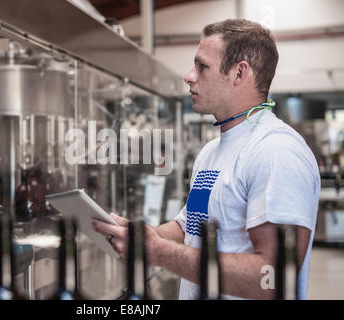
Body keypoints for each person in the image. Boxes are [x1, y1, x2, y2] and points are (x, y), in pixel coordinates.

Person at [92, 19, 320, 300]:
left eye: (202, 67)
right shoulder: (210, 153)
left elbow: (272, 279)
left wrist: (161, 254)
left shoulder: (276, 152)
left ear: (239, 73)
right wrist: (140, 236)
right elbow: (187, 227)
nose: (189, 76)